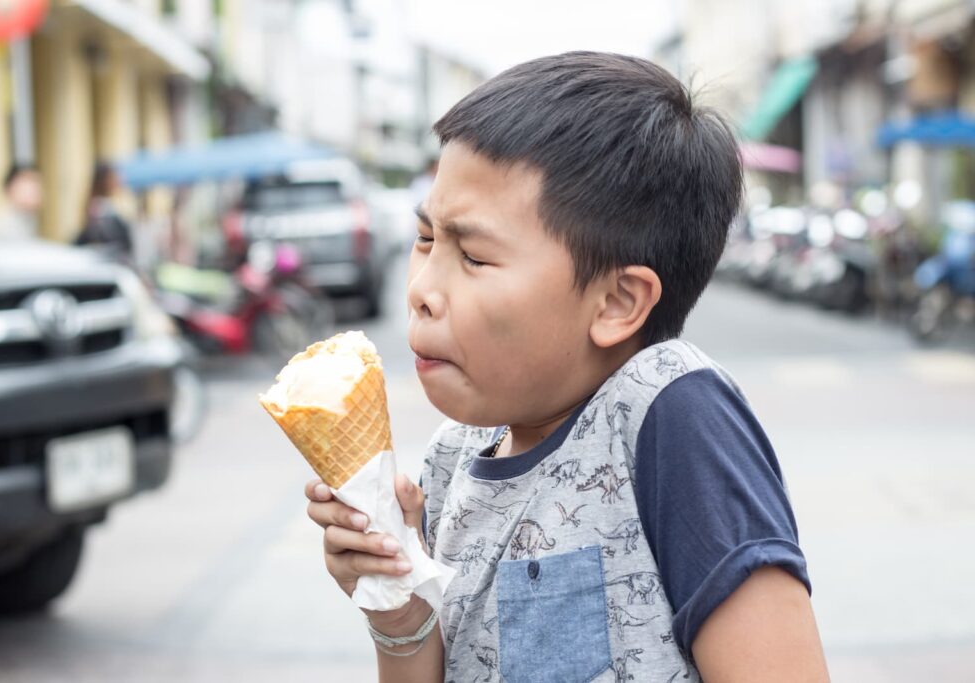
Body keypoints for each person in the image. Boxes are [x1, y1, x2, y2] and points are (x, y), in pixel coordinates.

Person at [305, 52, 829, 682]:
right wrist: (400, 613)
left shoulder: (669, 412)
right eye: (426, 240)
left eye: (472, 254)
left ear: (616, 303)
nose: (421, 287)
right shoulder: (450, 462)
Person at [74, 162, 133, 259]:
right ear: (104, 181)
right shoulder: (99, 210)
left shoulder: (106, 206)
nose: (119, 181)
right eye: (114, 178)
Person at [0, 163, 42, 240]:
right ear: (10, 189)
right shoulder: (6, 227)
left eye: (37, 183)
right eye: (28, 183)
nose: (35, 190)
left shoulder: (31, 219)